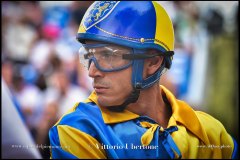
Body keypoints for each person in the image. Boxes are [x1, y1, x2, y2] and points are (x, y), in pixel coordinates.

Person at [49, 1, 238, 159]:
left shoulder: (210, 131)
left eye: (108, 55)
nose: (91, 71)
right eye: (89, 56)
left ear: (153, 61)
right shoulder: (79, 130)